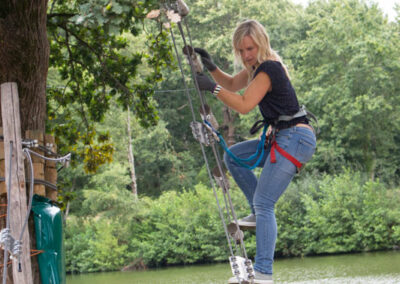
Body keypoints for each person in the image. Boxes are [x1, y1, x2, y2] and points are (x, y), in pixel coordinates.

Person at [195, 19, 317, 284]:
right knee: (233, 157)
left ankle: (263, 273)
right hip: (282, 137)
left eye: (250, 48)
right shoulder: (254, 69)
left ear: (261, 43)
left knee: (265, 203)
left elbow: (243, 104)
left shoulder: (269, 68)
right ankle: (255, 212)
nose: (246, 55)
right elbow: (230, 84)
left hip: (295, 137)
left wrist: (211, 88)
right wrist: (211, 67)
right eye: (241, 51)